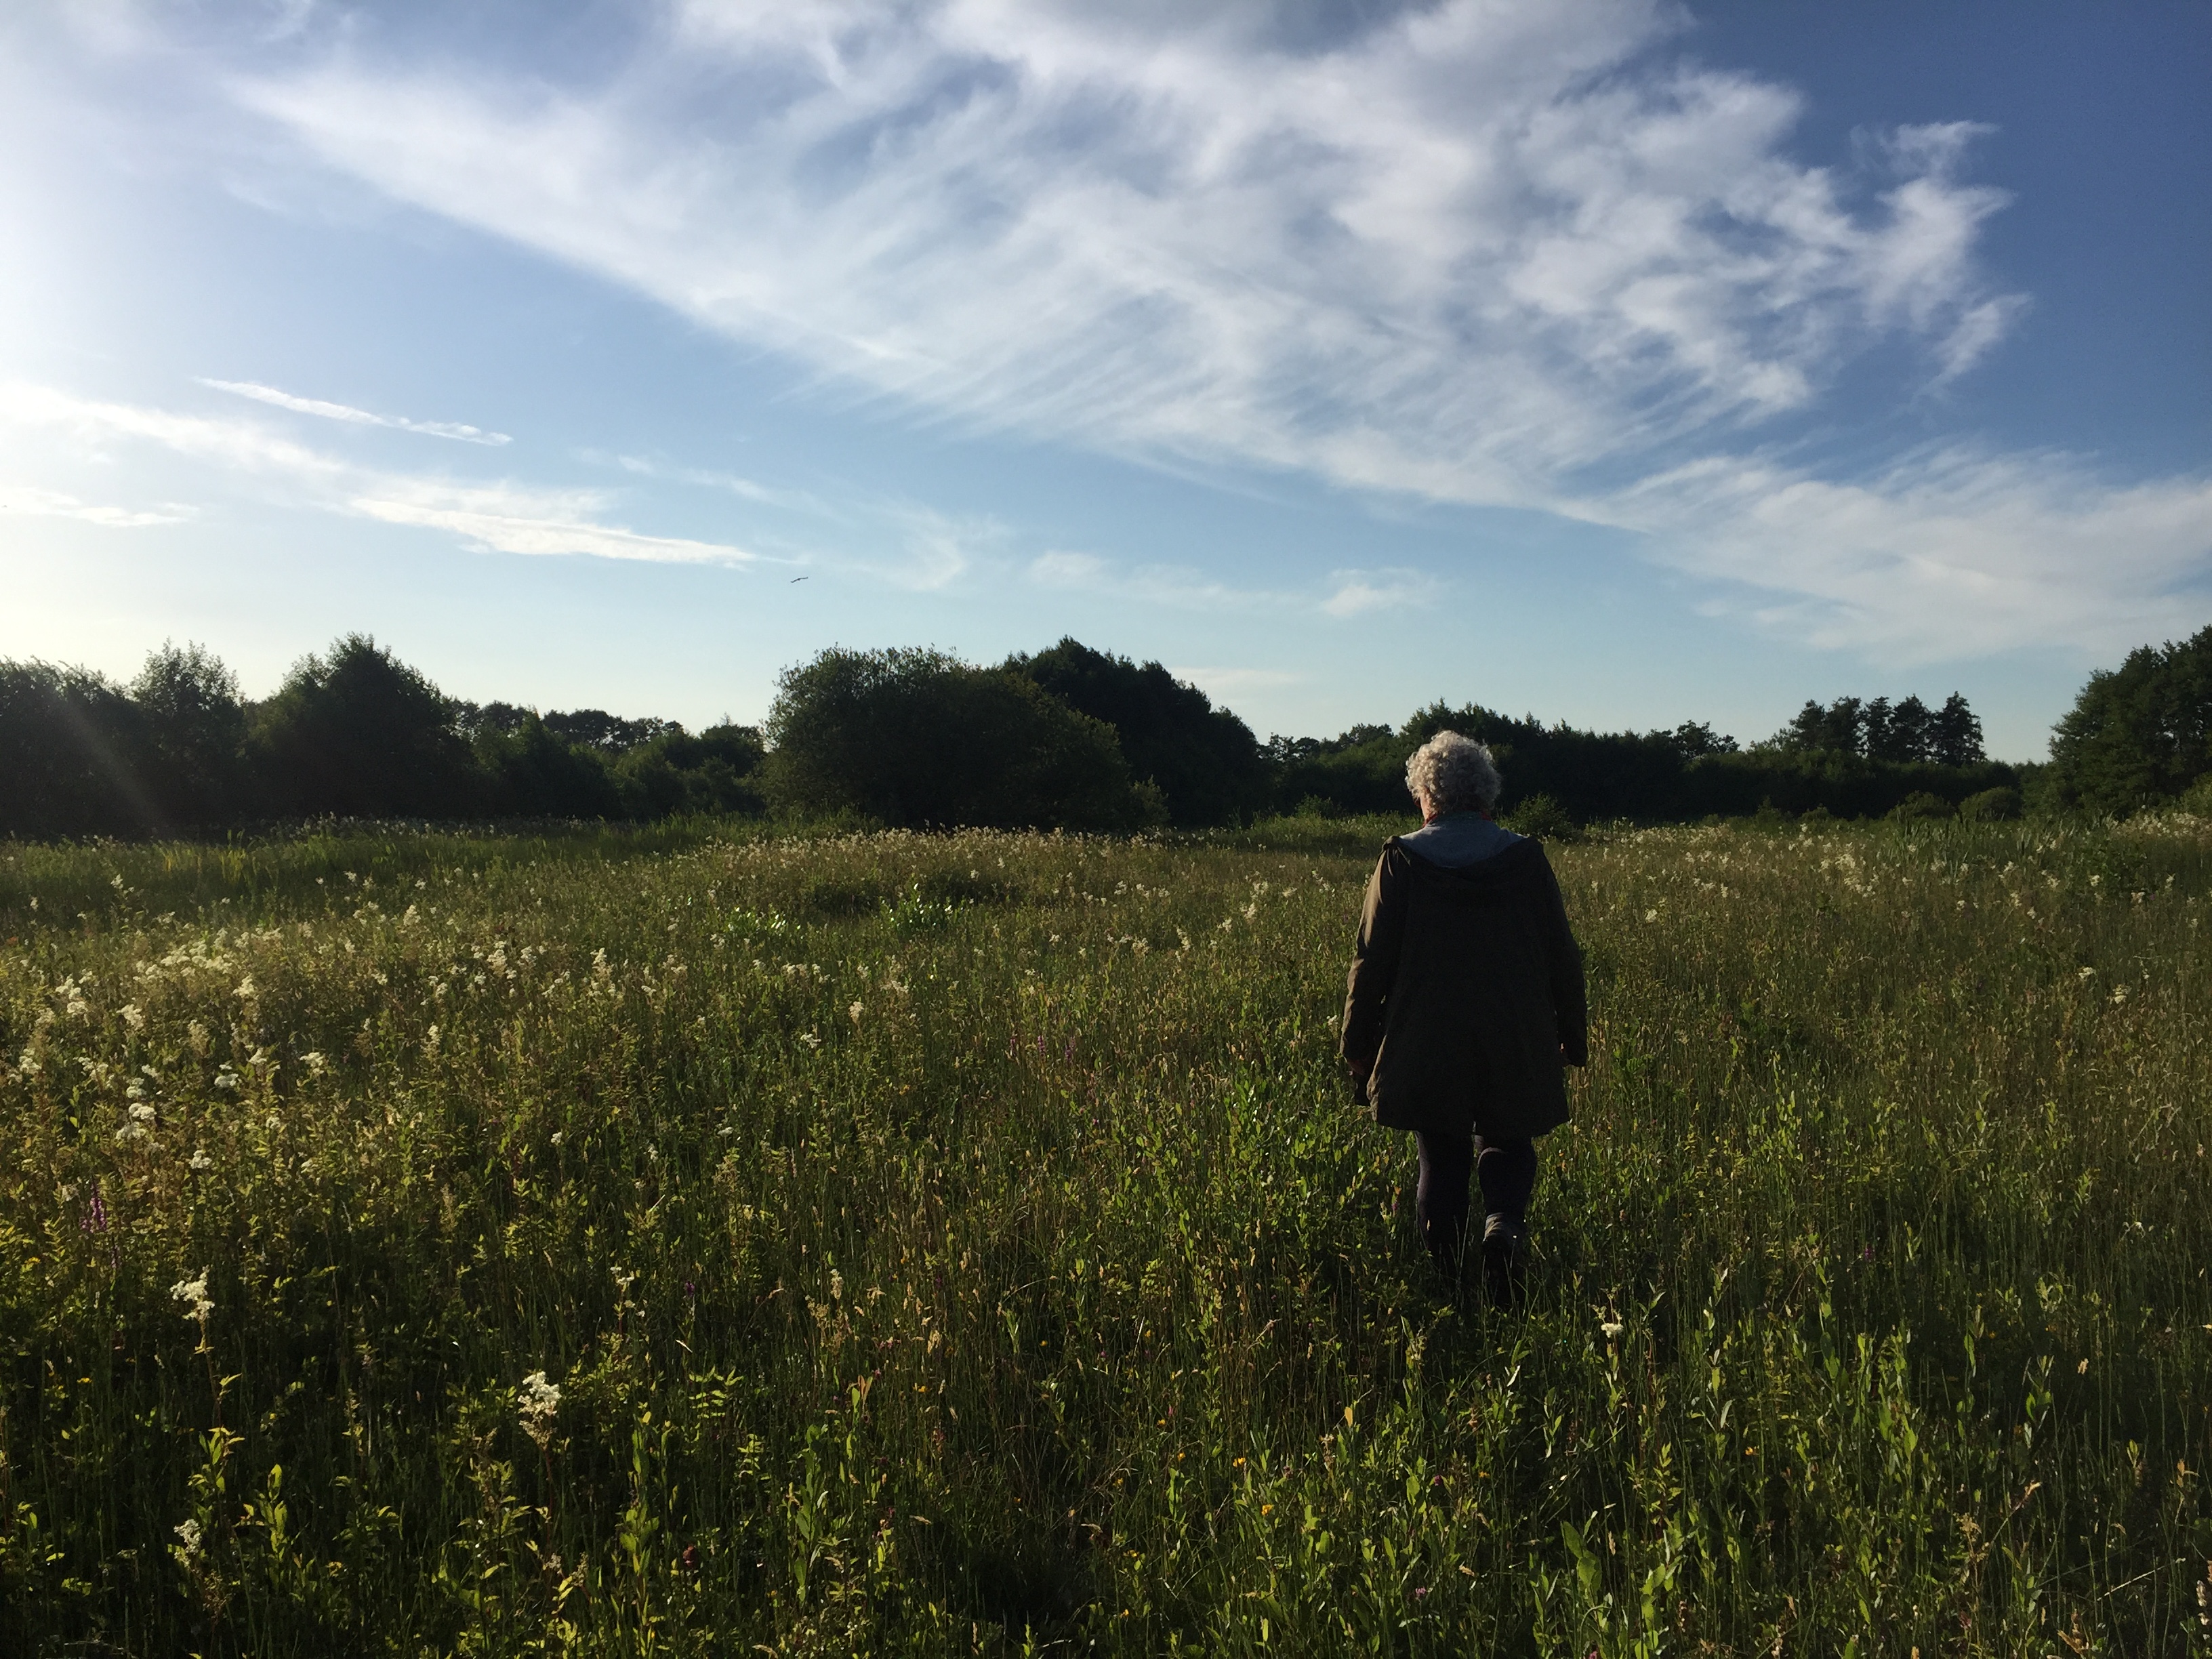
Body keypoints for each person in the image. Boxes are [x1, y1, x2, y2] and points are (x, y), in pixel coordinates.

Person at [1339, 731, 1587, 1303]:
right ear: (1486, 796)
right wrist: (1572, 1038)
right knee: (1507, 1136)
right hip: (1516, 1029)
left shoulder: (1400, 859)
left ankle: (1449, 1282)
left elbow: (1370, 961)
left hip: (1428, 1035)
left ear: (1428, 795)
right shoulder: (1526, 858)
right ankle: (1502, 1224)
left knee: (1441, 1148)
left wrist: (1356, 1044)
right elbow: (1562, 955)